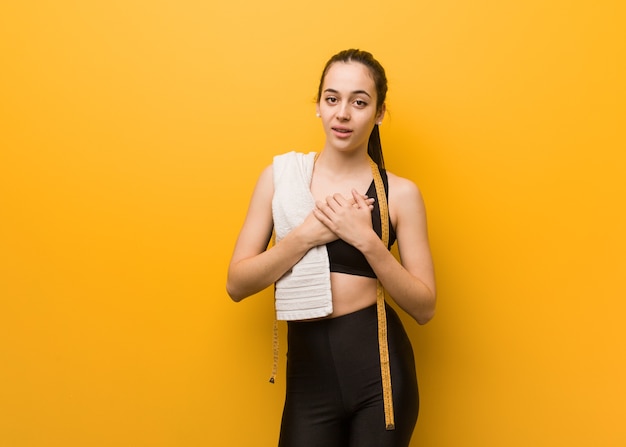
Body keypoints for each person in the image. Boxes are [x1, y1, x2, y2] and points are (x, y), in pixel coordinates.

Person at [226, 49, 436, 447]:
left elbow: (425, 308)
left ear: (378, 113)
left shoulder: (401, 194)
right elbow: (237, 284)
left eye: (359, 102)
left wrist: (368, 242)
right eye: (332, 98)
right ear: (319, 107)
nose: (343, 113)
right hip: (308, 382)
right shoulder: (279, 179)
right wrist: (306, 235)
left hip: (382, 382)